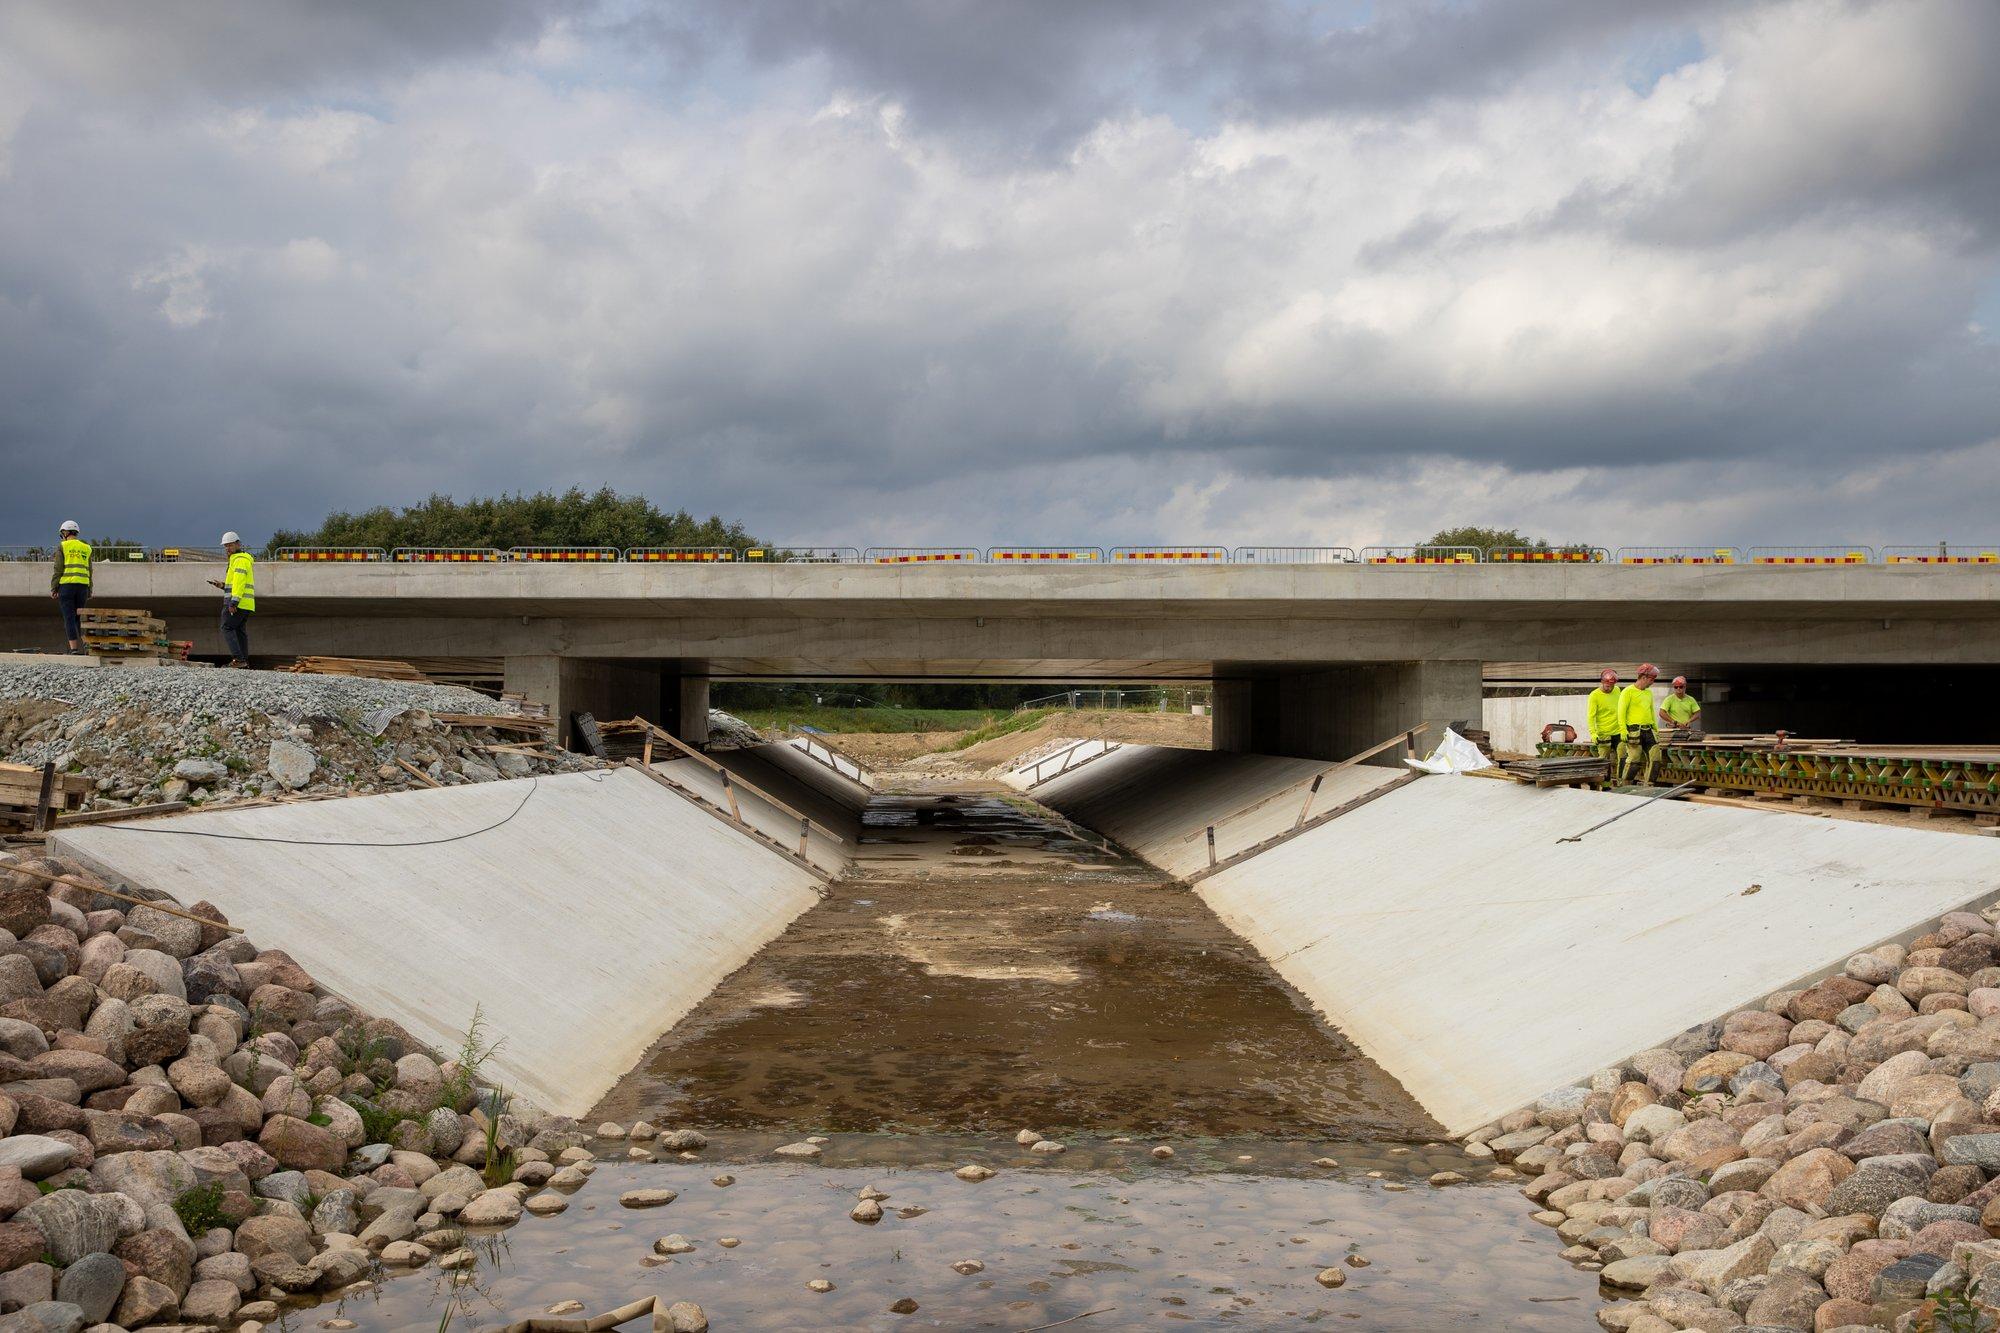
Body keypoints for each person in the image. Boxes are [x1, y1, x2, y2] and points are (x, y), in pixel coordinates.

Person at [207, 532, 255, 667]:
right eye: (226, 546)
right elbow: (235, 584)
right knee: (239, 631)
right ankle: (243, 661)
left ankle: (239, 660)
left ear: (238, 544)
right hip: (245, 603)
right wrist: (222, 585)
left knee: (226, 627)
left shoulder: (239, 560)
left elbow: (240, 582)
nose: (227, 548)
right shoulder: (239, 559)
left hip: (238, 602)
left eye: (230, 545)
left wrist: (234, 602)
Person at [48, 520, 91, 654]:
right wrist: (89, 590)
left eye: (62, 533)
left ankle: (74, 649)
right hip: (82, 587)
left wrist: (54, 588)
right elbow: (90, 570)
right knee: (80, 618)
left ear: (65, 532)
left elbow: (58, 569)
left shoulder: (62, 546)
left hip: (67, 586)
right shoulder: (86, 548)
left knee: (69, 617)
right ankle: (87, 647)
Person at [1619, 663, 1661, 785]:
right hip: (1634, 730)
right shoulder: (1627, 692)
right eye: (1652, 679)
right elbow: (1621, 712)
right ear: (1643, 677)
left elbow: (1651, 711)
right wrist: (1623, 729)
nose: (1653, 682)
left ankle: (1649, 785)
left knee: (1655, 759)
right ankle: (1625, 784)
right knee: (1634, 760)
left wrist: (1655, 728)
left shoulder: (1648, 693)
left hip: (1649, 730)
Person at [1586, 669, 1623, 766]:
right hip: (1603, 733)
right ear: (1602, 682)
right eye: (1607, 686)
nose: (1610, 688)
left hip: (1618, 731)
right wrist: (1593, 733)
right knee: (1603, 761)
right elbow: (1591, 716)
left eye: (1612, 686)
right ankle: (1604, 777)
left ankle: (1621, 776)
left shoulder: (1617, 690)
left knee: (1623, 757)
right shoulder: (1594, 695)